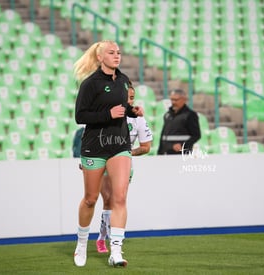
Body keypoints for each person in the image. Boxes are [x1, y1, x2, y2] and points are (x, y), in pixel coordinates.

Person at [73, 40, 144, 268]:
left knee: (118, 198)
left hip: (119, 145)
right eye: (112, 53)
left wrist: (133, 111)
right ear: (100, 57)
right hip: (95, 146)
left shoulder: (123, 81)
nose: (117, 56)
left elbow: (122, 109)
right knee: (91, 199)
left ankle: (116, 251)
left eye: (119, 53)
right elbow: (80, 116)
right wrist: (108, 114)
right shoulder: (90, 84)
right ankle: (82, 243)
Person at [95, 83, 153, 254]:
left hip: (125, 165)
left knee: (118, 201)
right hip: (103, 162)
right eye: (126, 96)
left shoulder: (138, 118)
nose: (130, 100)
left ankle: (105, 238)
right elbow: (90, 139)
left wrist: (126, 154)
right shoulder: (105, 114)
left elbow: (146, 147)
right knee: (108, 200)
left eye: (132, 97)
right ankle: (107, 241)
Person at [157, 89, 201, 155]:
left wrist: (183, 145)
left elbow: (196, 135)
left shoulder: (190, 115)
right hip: (166, 154)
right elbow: (163, 136)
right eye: (172, 99)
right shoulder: (167, 115)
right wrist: (159, 152)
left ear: (184, 100)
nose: (173, 102)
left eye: (176, 100)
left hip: (182, 154)